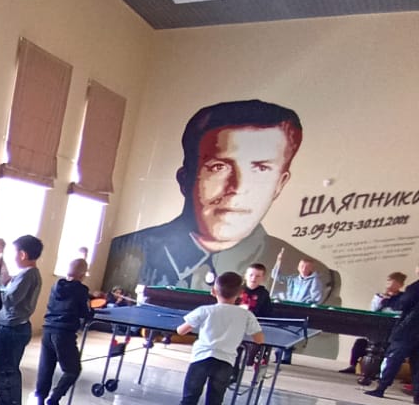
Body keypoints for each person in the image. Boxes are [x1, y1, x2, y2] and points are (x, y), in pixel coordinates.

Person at [106, 99, 322, 292]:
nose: (238, 187)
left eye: (261, 169)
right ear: (185, 178)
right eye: (219, 167)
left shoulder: (315, 277)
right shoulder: (125, 252)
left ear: (280, 184)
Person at [166, 272, 265, 405]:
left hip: (201, 360)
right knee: (215, 403)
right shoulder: (246, 315)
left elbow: (181, 331)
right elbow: (259, 339)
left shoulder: (205, 310)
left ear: (213, 291)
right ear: (240, 293)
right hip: (225, 362)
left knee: (188, 400)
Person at [0, 235, 44, 405]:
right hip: (10, 326)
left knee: (7, 372)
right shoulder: (28, 274)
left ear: (22, 254)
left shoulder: (28, 275)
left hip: (13, 329)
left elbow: (10, 298)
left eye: (14, 253)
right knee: (0, 370)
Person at [35, 257, 94, 405]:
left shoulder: (56, 286)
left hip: (47, 330)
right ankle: (54, 398)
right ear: (82, 274)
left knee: (46, 369)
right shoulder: (81, 290)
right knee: (73, 370)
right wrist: (91, 311)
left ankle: (40, 403)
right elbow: (84, 313)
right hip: (64, 333)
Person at [364, 266, 419, 403]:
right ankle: (417, 395)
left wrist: (390, 301)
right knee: (417, 364)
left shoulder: (414, 288)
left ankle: (381, 388)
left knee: (393, 359)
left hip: (408, 329)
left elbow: (403, 304)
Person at [341, 271, 408, 374]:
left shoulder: (403, 298)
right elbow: (373, 311)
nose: (390, 285)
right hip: (377, 329)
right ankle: (353, 365)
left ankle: (378, 371)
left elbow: (401, 313)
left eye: (394, 283)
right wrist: (381, 299)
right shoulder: (380, 296)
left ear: (400, 285)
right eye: (389, 282)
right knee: (360, 343)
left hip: (392, 332)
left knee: (384, 348)